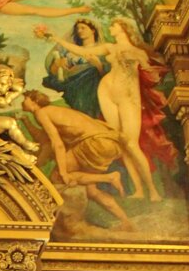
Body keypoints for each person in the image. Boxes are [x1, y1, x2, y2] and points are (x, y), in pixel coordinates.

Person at [36, 17, 172, 201]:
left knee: (131, 143)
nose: (111, 27)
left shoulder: (137, 52)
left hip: (127, 96)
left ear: (123, 28)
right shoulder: (110, 47)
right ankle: (139, 190)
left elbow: (153, 72)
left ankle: (152, 190)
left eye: (114, 25)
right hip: (107, 92)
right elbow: (82, 51)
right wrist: (56, 38)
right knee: (120, 142)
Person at [22, 90, 138, 229]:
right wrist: (26, 121)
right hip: (108, 143)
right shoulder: (54, 111)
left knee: (57, 176)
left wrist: (63, 171)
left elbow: (56, 144)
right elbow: (44, 139)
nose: (22, 101)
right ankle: (126, 221)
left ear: (34, 102)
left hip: (94, 143)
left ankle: (109, 178)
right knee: (92, 191)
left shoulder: (42, 113)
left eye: (25, 99)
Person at [41, 18, 109, 116]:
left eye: (83, 28)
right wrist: (58, 63)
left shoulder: (101, 50)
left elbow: (106, 74)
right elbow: (55, 73)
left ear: (93, 30)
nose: (79, 31)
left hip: (91, 88)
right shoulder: (70, 51)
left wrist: (98, 65)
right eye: (78, 28)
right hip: (72, 87)